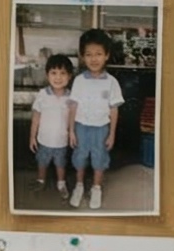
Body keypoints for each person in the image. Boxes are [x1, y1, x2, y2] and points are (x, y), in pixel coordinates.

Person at [69, 28, 124, 210]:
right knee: (80, 157)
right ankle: (79, 186)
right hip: (81, 127)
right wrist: (71, 130)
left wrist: (112, 134)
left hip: (102, 128)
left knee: (99, 158)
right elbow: (73, 106)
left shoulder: (111, 82)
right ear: (82, 56)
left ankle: (96, 187)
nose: (94, 59)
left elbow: (114, 109)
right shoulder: (78, 80)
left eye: (98, 54)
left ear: (106, 55)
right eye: (89, 54)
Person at [28, 53, 76, 201]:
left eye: (63, 73)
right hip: (43, 140)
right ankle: (41, 181)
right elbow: (36, 116)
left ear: (70, 76)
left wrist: (72, 134)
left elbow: (72, 119)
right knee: (42, 162)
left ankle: (61, 184)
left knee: (60, 164)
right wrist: (32, 137)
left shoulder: (71, 97)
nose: (58, 77)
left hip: (61, 141)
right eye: (54, 73)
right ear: (47, 75)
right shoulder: (43, 94)